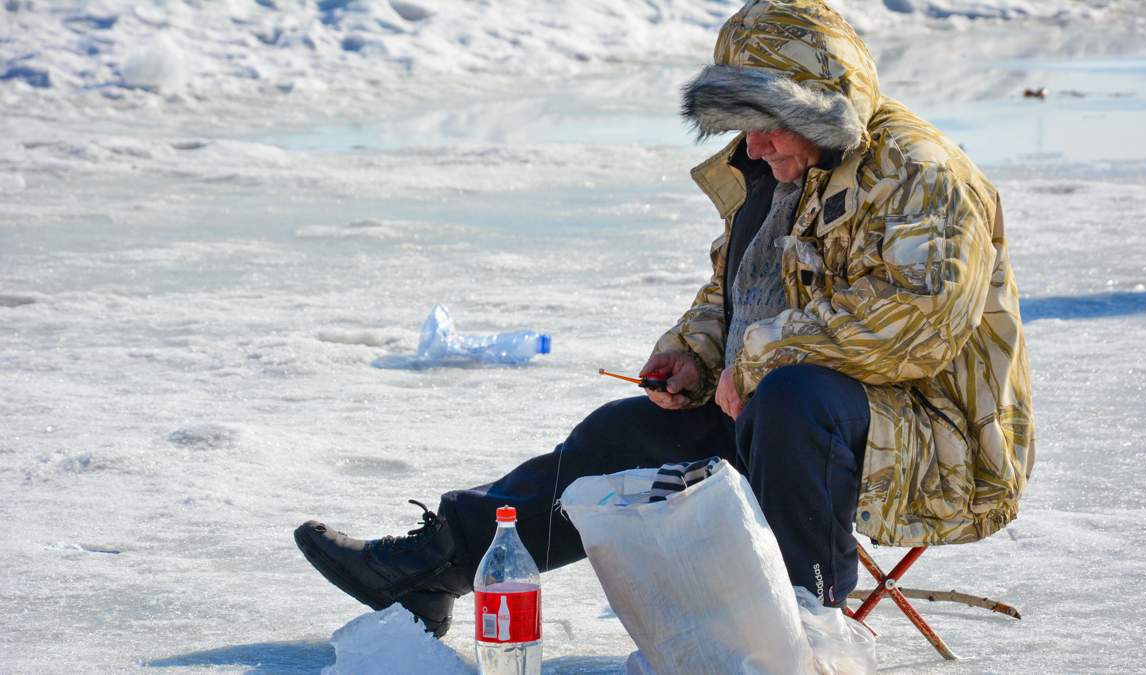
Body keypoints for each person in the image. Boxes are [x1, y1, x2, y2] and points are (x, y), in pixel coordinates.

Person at [294, 0, 1035, 638]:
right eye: (741, 126)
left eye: (766, 123)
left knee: (793, 399)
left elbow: (923, 318)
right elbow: (734, 294)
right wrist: (696, 349)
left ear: (820, 104)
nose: (752, 145)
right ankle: (437, 566)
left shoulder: (922, 174)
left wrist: (759, 360)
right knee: (623, 436)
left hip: (938, 443)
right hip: (787, 415)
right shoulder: (780, 172)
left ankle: (810, 626)